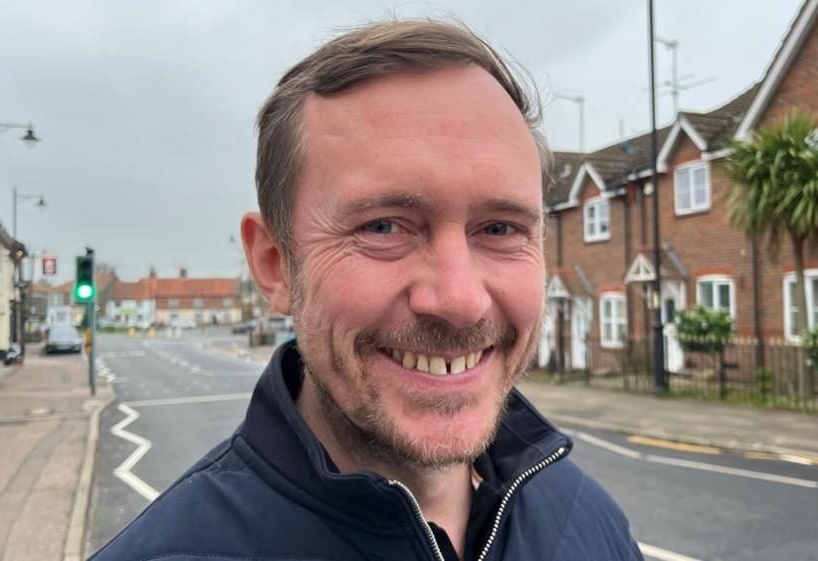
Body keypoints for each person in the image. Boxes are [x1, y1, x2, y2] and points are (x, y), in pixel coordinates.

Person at [91, 19, 642, 561]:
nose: (459, 300)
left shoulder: (588, 518)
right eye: (383, 226)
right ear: (274, 265)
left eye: (500, 229)